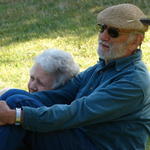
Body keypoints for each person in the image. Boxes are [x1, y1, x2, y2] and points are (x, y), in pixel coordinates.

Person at [0, 3, 150, 150]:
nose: (103, 36)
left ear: (136, 40)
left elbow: (76, 112)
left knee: (18, 108)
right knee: (14, 96)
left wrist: (18, 115)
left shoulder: (134, 82)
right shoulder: (103, 67)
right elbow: (60, 95)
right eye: (102, 28)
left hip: (97, 144)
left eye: (113, 32)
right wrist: (11, 105)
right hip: (82, 135)